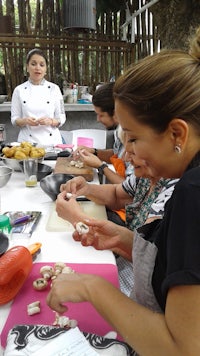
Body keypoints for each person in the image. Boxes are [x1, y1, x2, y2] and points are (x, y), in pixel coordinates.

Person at [47, 28, 200, 354]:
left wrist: (91, 287)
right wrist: (122, 238)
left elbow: (181, 348)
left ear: (176, 133)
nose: (125, 155)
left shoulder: (192, 194)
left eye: (132, 139)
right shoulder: (183, 179)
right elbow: (180, 264)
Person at [73, 82, 133, 184]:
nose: (98, 119)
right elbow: (116, 153)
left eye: (101, 115)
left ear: (116, 113)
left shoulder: (135, 138)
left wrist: (101, 166)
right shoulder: (119, 130)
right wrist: (94, 152)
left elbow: (129, 189)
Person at [11, 48, 66, 146]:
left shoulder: (54, 89)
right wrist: (25, 121)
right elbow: (14, 119)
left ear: (45, 69)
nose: (37, 68)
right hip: (27, 143)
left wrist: (51, 121)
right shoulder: (19, 90)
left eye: (42, 65)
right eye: (33, 64)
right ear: (27, 67)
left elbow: (61, 117)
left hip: (52, 143)